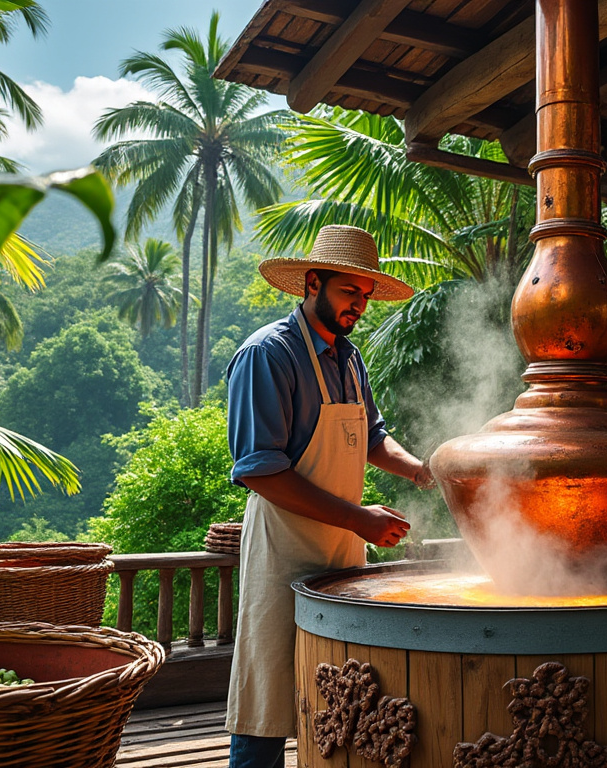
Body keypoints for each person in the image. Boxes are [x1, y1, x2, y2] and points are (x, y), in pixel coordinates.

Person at [223, 225, 433, 768]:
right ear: (312, 281)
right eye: (348, 291)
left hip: (343, 549)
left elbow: (371, 437)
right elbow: (261, 471)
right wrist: (359, 518)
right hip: (282, 550)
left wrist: (425, 473)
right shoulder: (268, 355)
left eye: (365, 295)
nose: (359, 304)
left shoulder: (349, 358)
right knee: (265, 704)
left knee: (340, 697)